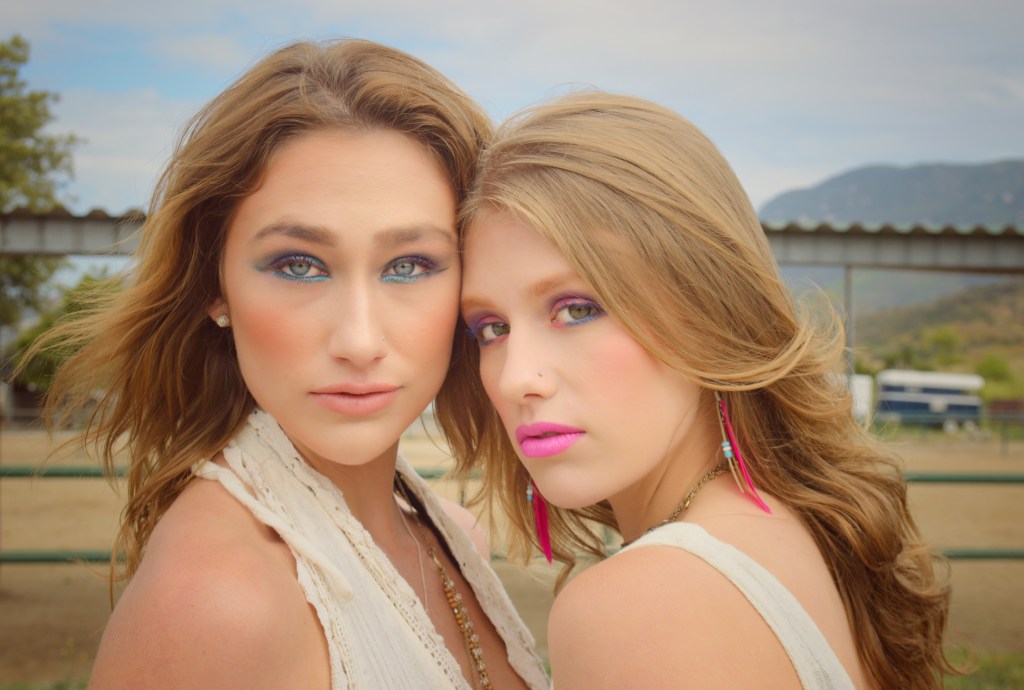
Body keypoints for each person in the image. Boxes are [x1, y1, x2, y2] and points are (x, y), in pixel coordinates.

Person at [24, 39, 548, 689]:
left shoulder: (444, 534)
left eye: (409, 265)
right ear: (215, 285)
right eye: (298, 265)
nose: (358, 340)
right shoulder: (219, 606)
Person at [440, 92, 955, 689]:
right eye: (491, 328)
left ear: (705, 306)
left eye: (577, 309)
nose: (515, 379)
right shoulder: (800, 527)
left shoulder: (643, 605)